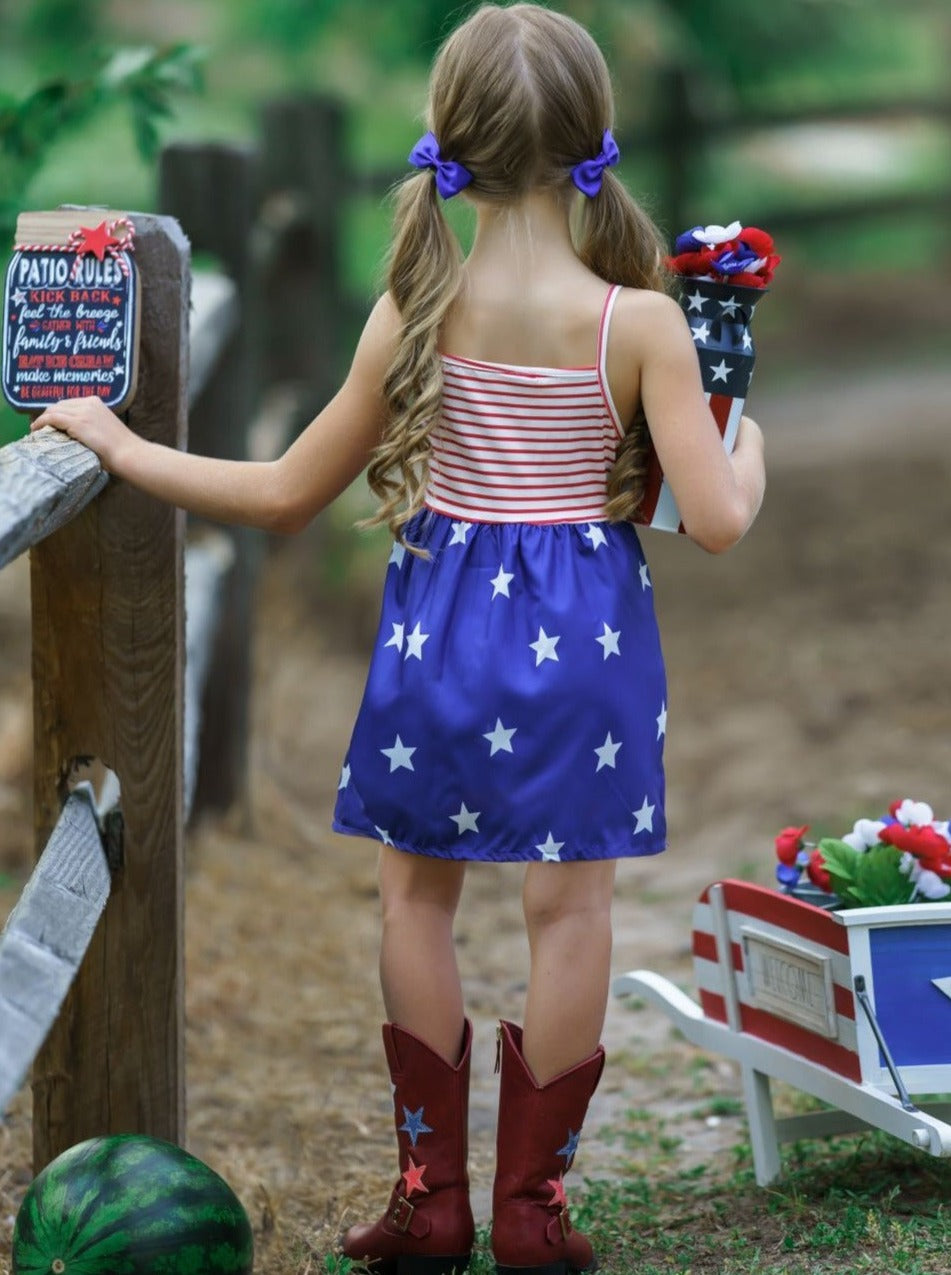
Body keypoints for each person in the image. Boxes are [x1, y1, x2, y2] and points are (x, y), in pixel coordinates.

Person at [33, 5, 765, 1272]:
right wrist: (747, 432)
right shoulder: (639, 324)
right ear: (597, 140)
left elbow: (277, 495)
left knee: (413, 902)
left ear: (449, 143)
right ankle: (534, 1213)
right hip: (583, 656)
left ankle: (432, 1198)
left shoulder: (412, 310)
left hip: (438, 643)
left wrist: (121, 442)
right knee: (570, 911)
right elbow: (715, 521)